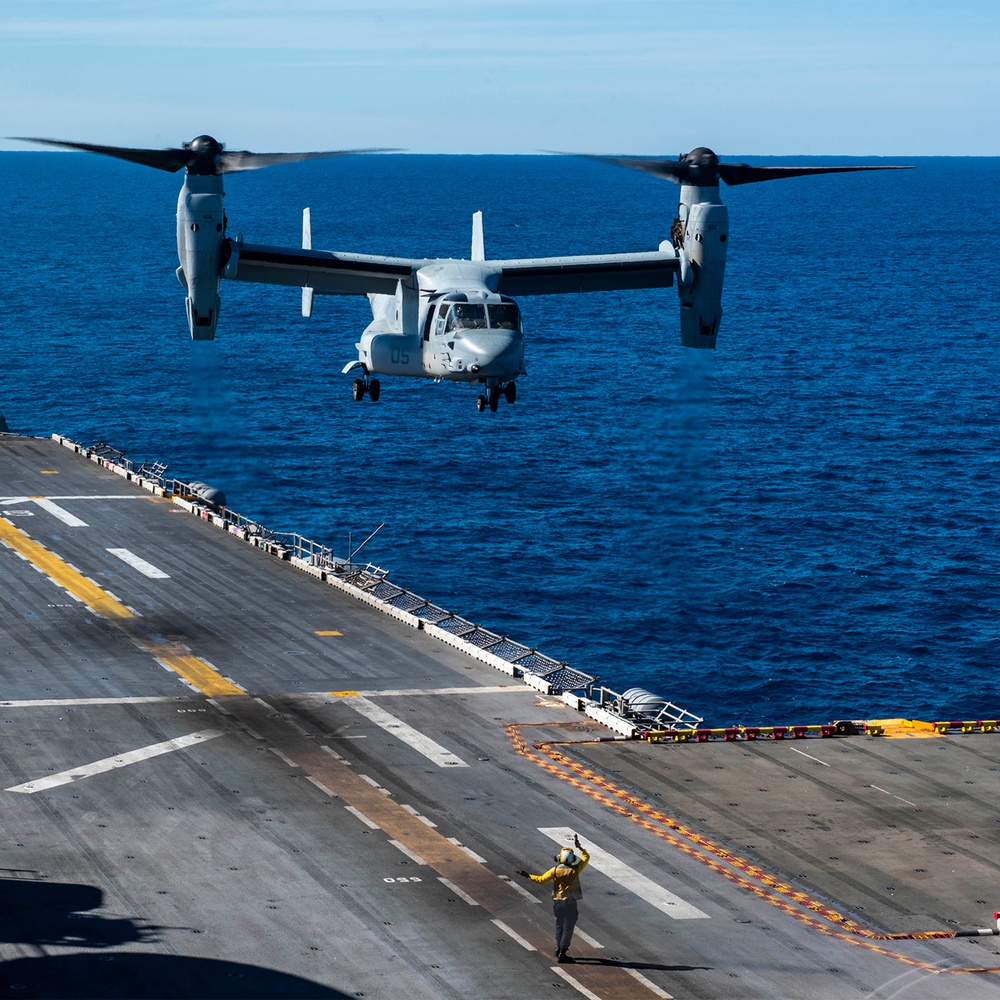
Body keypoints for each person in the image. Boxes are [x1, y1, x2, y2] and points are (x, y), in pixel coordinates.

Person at [517, 834, 590, 963]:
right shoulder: (575, 870)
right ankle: (563, 951)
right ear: (572, 858)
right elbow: (586, 857)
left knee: (559, 925)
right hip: (570, 903)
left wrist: (528, 875)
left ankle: (558, 949)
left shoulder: (554, 870)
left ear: (559, 858)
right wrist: (579, 847)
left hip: (558, 902)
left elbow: (540, 880)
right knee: (568, 927)